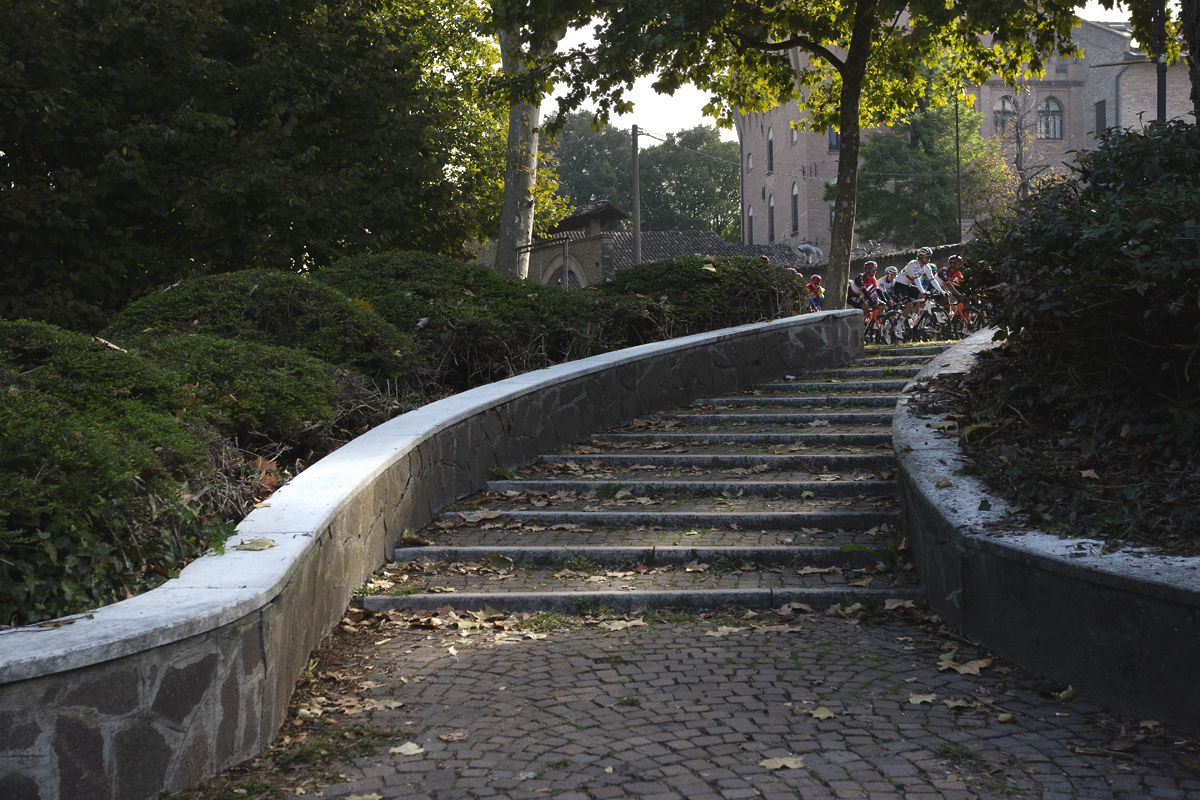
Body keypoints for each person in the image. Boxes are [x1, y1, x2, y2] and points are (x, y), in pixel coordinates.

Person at [893, 246, 948, 338]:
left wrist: (942, 292)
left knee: (923, 296)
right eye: (927, 256)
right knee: (910, 305)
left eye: (930, 256)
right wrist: (923, 290)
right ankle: (898, 326)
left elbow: (933, 280)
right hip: (899, 286)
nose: (929, 259)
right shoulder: (913, 264)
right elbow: (917, 279)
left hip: (908, 286)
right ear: (920, 257)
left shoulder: (927, 267)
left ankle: (917, 321)